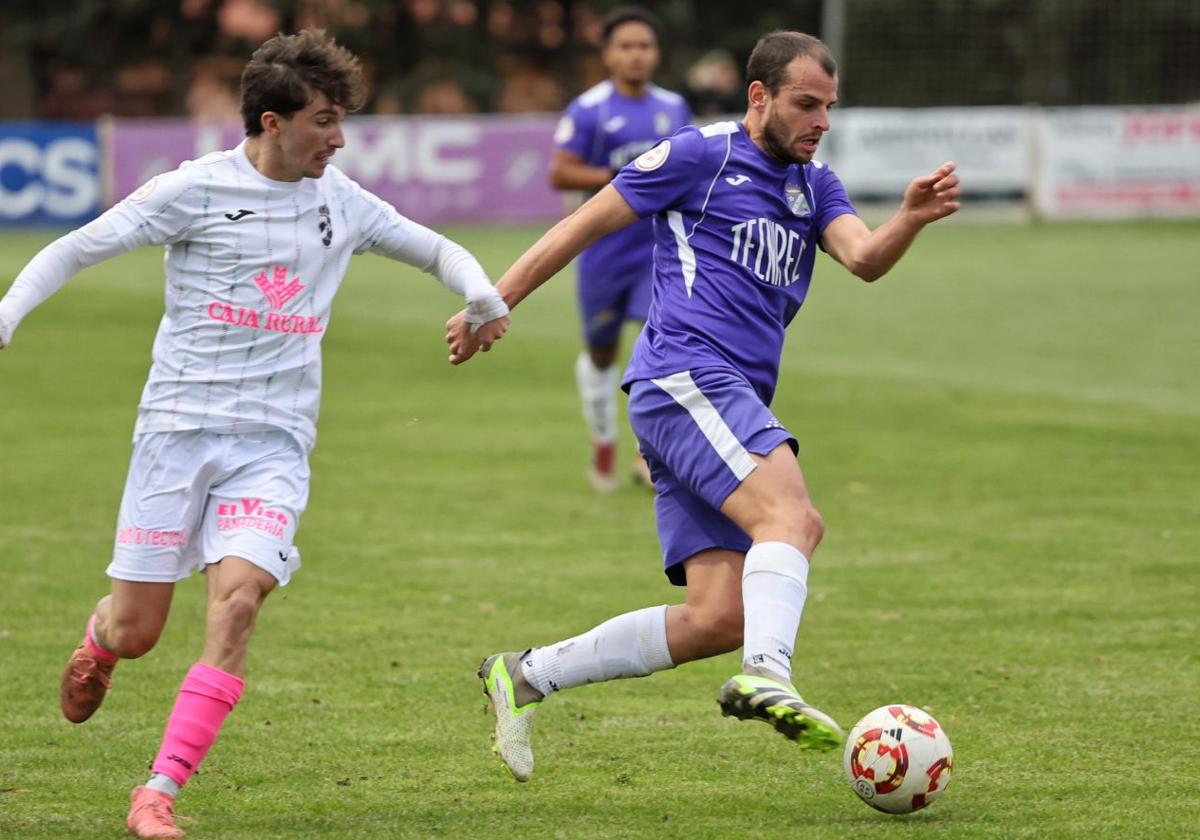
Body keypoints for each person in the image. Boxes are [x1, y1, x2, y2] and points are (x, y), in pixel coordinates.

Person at [0, 29, 508, 837]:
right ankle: (99, 643)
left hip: (272, 449)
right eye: (323, 121)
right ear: (272, 122)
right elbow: (75, 248)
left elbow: (438, 248)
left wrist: (483, 297)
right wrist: (5, 318)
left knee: (236, 606)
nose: (338, 139)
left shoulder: (342, 203)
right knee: (137, 632)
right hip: (176, 437)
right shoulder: (193, 191)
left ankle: (158, 791)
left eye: (342, 121)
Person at [446, 30, 961, 782]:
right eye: (806, 104)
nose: (821, 121)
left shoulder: (817, 186)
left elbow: (863, 258)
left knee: (718, 615)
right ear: (760, 97)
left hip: (717, 399)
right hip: (685, 378)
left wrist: (909, 217)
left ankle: (524, 675)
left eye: (830, 107)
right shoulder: (701, 156)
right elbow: (580, 225)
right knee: (795, 520)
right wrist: (493, 300)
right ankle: (770, 676)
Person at [549, 6, 691, 491]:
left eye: (645, 46)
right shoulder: (590, 109)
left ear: (656, 54)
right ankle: (605, 437)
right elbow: (560, 172)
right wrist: (619, 180)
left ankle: (645, 452)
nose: (636, 55)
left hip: (660, 249)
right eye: (626, 46)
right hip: (605, 252)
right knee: (603, 352)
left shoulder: (673, 108)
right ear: (608, 54)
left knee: (665, 343)